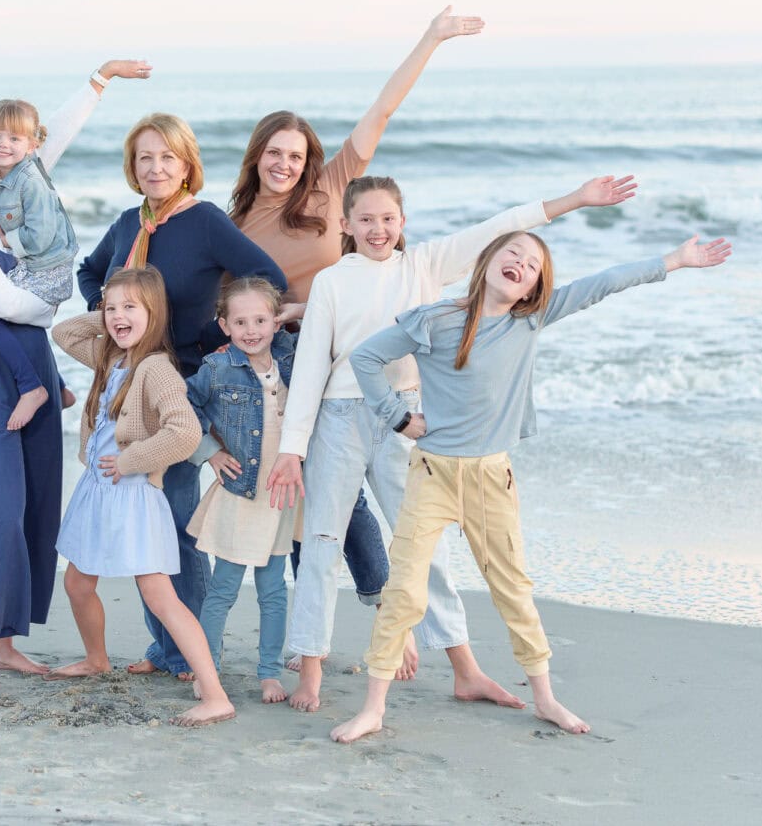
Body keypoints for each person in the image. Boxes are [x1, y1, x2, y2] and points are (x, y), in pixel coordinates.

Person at [330, 230, 733, 742]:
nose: (520, 264)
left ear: (533, 289)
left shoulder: (530, 319)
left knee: (512, 589)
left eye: (533, 265)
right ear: (488, 262)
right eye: (512, 253)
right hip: (431, 474)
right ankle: (374, 709)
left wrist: (673, 261)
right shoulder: (437, 319)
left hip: (491, 479)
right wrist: (397, 417)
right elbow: (365, 359)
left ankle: (544, 698)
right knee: (406, 591)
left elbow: (603, 283)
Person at [268, 172, 638, 712]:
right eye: (366, 220)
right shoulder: (331, 281)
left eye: (388, 219)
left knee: (425, 547)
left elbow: (502, 227)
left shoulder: (424, 265)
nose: (378, 230)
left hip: (407, 419)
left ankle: (465, 669)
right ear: (345, 225)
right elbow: (309, 368)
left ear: (403, 223)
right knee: (322, 544)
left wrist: (576, 200)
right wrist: (292, 448)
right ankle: (310, 671)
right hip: (340, 418)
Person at [228, 6, 486, 639]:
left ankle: (386, 613)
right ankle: (326, 631)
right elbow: (235, 302)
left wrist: (431, 38)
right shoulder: (232, 223)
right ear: (257, 156)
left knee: (359, 505)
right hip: (283, 366)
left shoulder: (332, 186)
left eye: (294, 154)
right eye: (274, 153)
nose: (284, 164)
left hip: (350, 367)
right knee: (310, 508)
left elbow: (382, 110)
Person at [0, 62, 142, 706]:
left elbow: (50, 140)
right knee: (0, 520)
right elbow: (5, 302)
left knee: (36, 514)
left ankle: (8, 643)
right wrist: (78, 315)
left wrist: (97, 82)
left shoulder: (2, 204)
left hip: (31, 372)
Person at [77, 113, 287, 680]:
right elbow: (91, 272)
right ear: (133, 166)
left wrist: (210, 337)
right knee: (147, 527)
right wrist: (113, 313)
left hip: (182, 389)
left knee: (172, 525)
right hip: (131, 387)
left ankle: (188, 654)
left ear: (187, 164)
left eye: (167, 157)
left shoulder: (206, 222)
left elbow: (266, 280)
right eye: (145, 157)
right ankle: (166, 650)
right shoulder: (128, 225)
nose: (156, 167)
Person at [46, 268, 236, 727]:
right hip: (98, 492)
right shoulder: (111, 359)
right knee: (77, 582)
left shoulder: (156, 368)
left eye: (131, 307)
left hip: (131, 494)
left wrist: (132, 461)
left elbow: (186, 433)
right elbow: (62, 332)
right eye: (111, 308)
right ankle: (96, 659)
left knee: (160, 595)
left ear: (155, 313)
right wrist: (107, 315)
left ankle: (214, 694)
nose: (117, 316)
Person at [0, 68, 152, 429]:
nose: (2, 145)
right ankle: (57, 387)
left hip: (47, 269)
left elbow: (39, 238)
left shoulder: (30, 178)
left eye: (14, 138)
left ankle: (35, 389)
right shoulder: (0, 177)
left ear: (31, 144)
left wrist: (5, 239)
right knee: (13, 323)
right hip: (35, 266)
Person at [183, 277, 299, 704]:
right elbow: (183, 407)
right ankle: (206, 668)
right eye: (240, 321)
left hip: (280, 494)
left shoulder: (289, 355)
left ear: (276, 321)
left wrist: (297, 312)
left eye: (261, 319)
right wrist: (209, 452)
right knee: (224, 590)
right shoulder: (217, 368)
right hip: (239, 492)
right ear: (224, 325)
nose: (251, 330)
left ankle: (269, 672)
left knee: (273, 590)